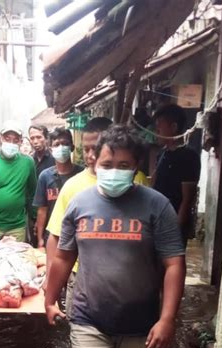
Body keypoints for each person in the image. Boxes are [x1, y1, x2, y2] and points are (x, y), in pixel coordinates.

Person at [45, 125, 186, 348]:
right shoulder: (79, 203)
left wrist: (167, 319)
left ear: (136, 168)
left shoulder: (157, 206)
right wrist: (49, 299)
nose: (114, 171)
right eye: (107, 164)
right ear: (94, 161)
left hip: (141, 323)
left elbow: (174, 263)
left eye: (123, 166)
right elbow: (63, 256)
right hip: (88, 318)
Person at [46, 117, 149, 316]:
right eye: (86, 149)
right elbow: (56, 237)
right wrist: (51, 283)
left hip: (131, 279)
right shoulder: (73, 187)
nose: (91, 155)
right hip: (82, 278)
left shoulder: (137, 181)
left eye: (96, 148)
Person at [152, 103, 201, 246]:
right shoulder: (162, 154)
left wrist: (176, 230)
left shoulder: (188, 156)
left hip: (173, 223)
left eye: (159, 126)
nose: (156, 131)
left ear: (173, 127)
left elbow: (187, 200)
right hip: (156, 219)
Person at [0, 122, 37, 242]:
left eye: (15, 140)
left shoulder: (28, 163)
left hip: (17, 226)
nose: (11, 143)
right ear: (0, 139)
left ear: (21, 142)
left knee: (18, 259)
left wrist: (35, 218)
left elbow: (32, 193)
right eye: (7, 139)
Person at [33, 127, 83, 249]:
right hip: (53, 235)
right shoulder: (45, 176)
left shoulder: (82, 174)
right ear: (51, 149)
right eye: (57, 144)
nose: (61, 147)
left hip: (78, 234)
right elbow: (42, 210)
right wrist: (40, 240)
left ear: (72, 147)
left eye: (65, 144)